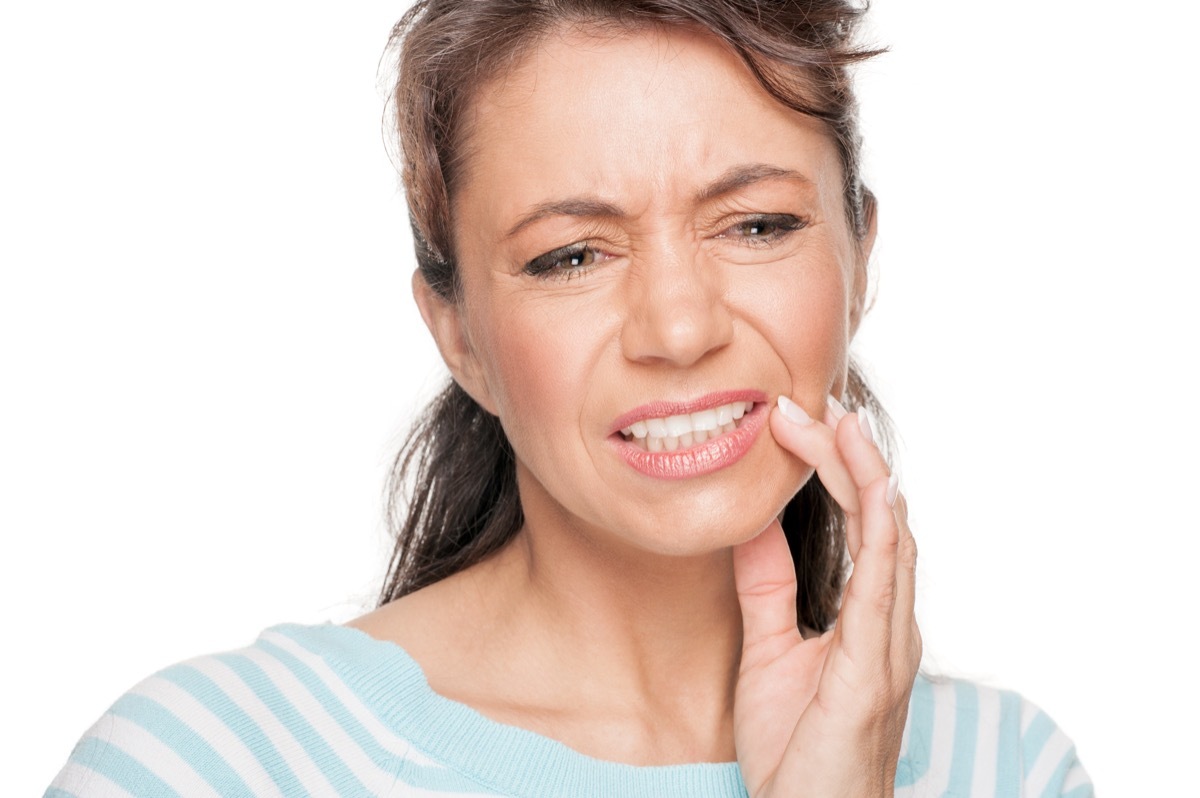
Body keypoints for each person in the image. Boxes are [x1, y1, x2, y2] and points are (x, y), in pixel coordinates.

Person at [46, 1, 1093, 796]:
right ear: (459, 334)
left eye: (757, 225)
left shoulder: (1004, 768)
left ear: (860, 259)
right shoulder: (213, 765)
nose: (678, 329)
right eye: (572, 255)